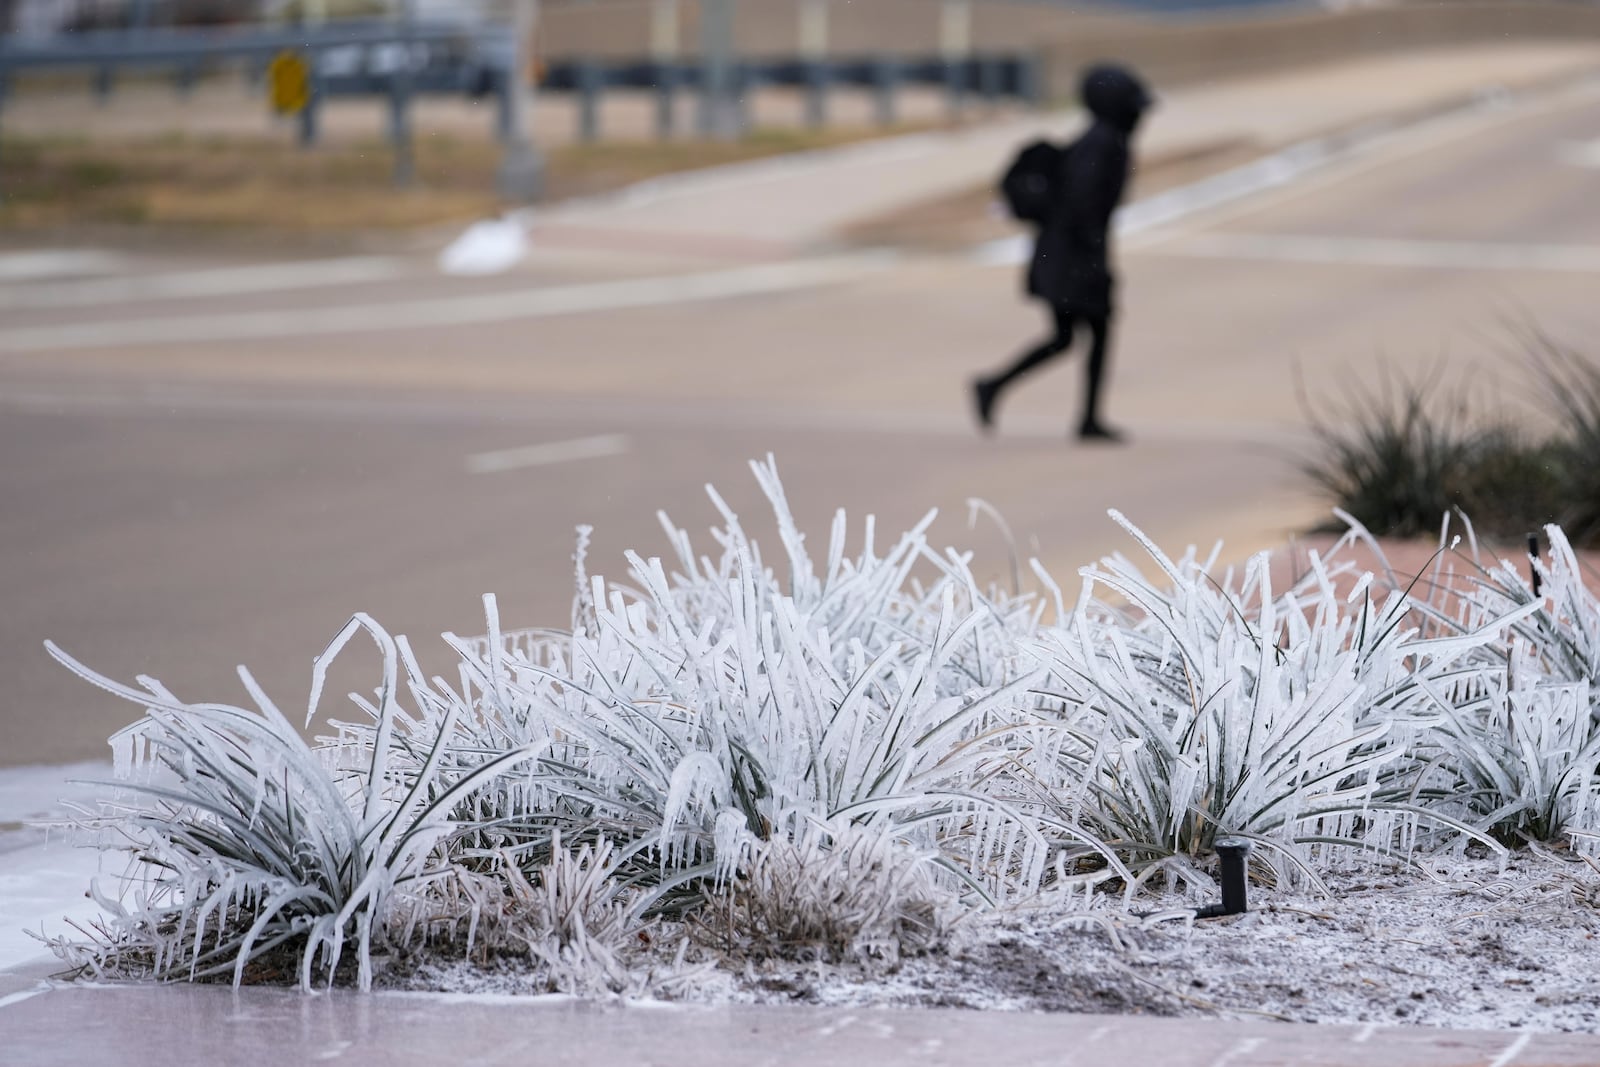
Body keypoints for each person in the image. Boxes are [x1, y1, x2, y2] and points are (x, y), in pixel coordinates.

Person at [973, 64, 1153, 443]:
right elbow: (1083, 205)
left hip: (1066, 251)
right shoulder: (1104, 144)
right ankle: (1006, 390)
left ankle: (1001, 388)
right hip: (1070, 255)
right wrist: (1094, 261)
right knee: (1080, 334)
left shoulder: (1103, 139)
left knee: (1072, 336)